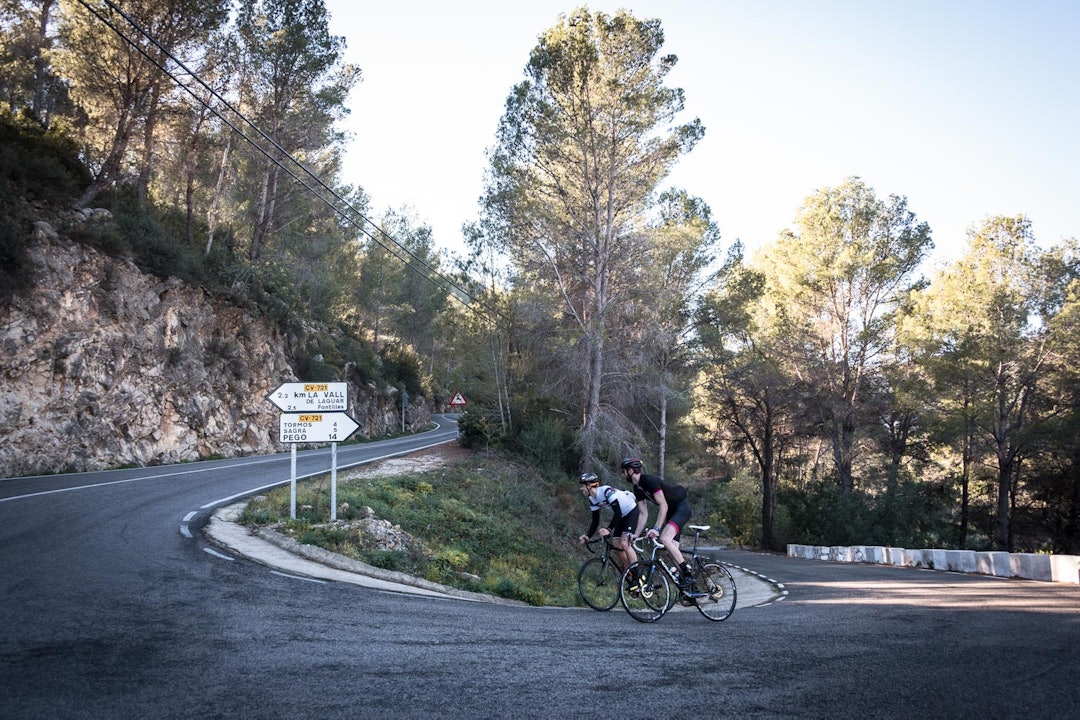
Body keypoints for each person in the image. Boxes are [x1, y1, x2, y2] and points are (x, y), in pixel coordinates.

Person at [620, 457, 695, 587]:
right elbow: (643, 513)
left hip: (681, 508)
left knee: (665, 539)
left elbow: (663, 505)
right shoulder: (637, 488)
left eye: (623, 471)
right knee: (671, 550)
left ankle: (688, 575)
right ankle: (692, 590)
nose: (622, 474)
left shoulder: (649, 480)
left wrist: (656, 528)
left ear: (630, 470)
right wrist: (636, 534)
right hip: (672, 512)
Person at [577, 472, 639, 577]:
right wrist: (588, 536)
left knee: (624, 543)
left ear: (589, 486)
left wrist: (608, 529)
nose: (581, 489)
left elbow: (618, 513)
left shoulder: (606, 491)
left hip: (631, 510)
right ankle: (631, 569)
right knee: (616, 545)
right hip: (622, 515)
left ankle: (637, 575)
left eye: (583, 486)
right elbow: (595, 521)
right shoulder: (592, 499)